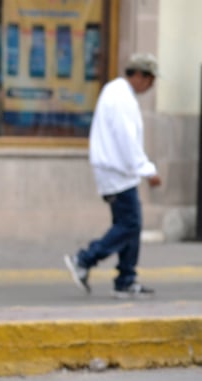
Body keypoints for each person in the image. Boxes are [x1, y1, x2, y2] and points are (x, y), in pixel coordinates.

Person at [64, 53, 162, 298]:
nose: (151, 86)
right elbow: (126, 139)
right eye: (151, 80)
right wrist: (147, 170)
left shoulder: (118, 93)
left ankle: (126, 279)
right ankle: (85, 259)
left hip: (117, 171)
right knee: (129, 224)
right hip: (117, 172)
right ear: (139, 76)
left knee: (130, 224)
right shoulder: (121, 98)